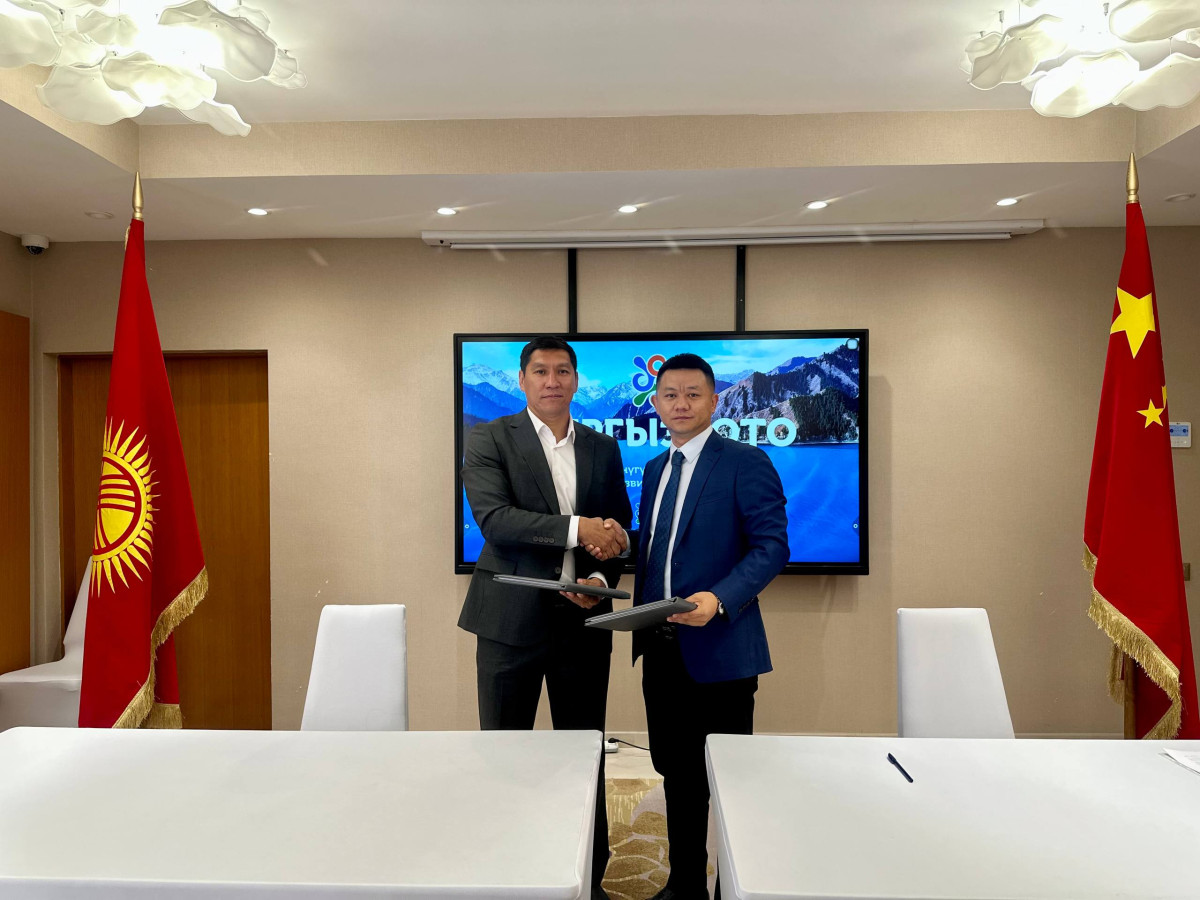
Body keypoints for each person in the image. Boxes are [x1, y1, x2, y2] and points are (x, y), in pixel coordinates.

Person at [459, 335, 632, 900]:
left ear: (576, 380)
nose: (552, 381)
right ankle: (504, 872)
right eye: (540, 371)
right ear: (522, 379)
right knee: (504, 753)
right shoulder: (488, 437)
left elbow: (618, 530)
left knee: (583, 753)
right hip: (508, 622)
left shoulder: (603, 447)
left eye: (562, 371)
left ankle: (588, 875)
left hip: (584, 622)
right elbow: (497, 520)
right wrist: (579, 528)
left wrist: (600, 580)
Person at [631, 352, 789, 900]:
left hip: (721, 649)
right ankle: (684, 885)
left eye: (693, 394)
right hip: (661, 647)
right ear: (656, 404)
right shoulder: (655, 469)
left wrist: (719, 599)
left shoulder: (745, 461)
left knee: (724, 779)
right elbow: (659, 548)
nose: (681, 403)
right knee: (675, 771)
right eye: (670, 395)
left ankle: (732, 887)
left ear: (715, 401)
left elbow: (772, 547)